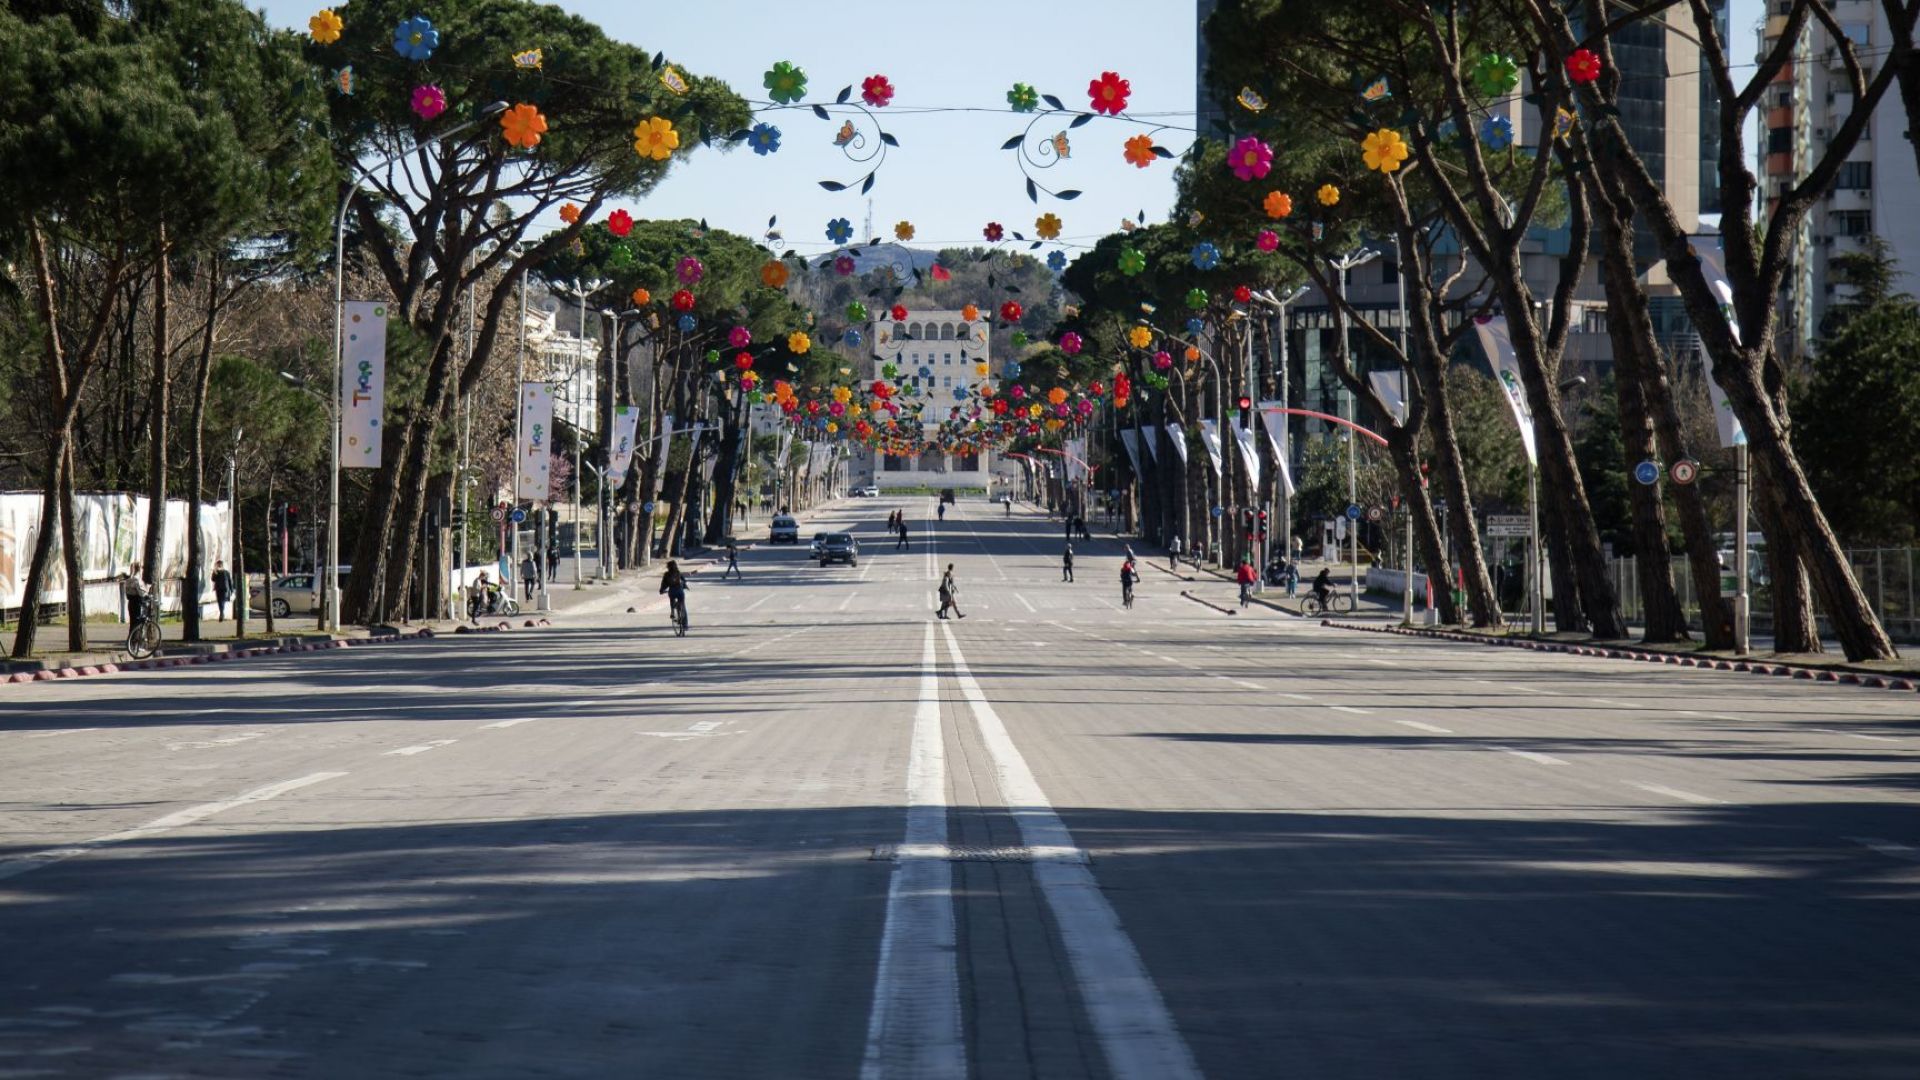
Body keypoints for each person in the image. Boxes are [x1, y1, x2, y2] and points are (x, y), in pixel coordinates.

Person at [659, 559, 688, 627]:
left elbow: (664, 584)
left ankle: (672, 612)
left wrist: (661, 590)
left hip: (672, 591)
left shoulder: (666, 574)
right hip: (680, 591)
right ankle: (685, 625)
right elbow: (684, 580)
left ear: (668, 567)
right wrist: (684, 586)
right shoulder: (678, 572)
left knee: (672, 600)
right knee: (683, 606)